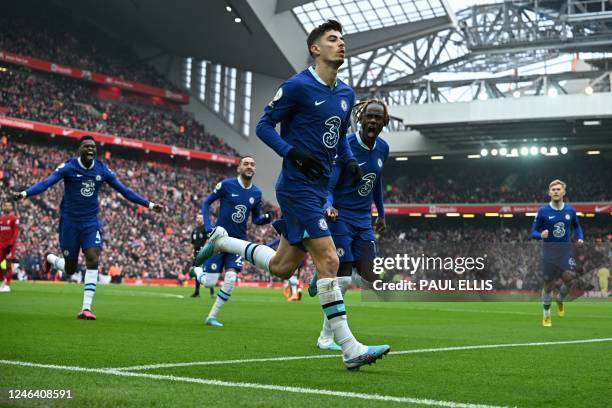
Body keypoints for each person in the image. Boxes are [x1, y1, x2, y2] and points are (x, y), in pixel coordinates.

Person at [195, 20, 389, 370]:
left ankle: (225, 242)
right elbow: (263, 126)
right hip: (296, 186)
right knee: (329, 260)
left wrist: (351, 163)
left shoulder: (345, 94)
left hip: (317, 189)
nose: (341, 44)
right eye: (333, 39)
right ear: (316, 49)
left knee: (283, 267)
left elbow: (341, 137)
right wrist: (292, 152)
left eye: (342, 39)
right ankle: (349, 348)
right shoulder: (298, 86)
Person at [12, 136, 163, 319]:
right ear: (80, 150)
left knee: (93, 257)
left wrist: (150, 205)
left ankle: (86, 308)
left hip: (91, 222)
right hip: (69, 222)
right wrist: (24, 193)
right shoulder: (68, 167)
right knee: (70, 268)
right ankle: (51, 258)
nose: (91, 149)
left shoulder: (101, 169)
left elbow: (125, 191)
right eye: (86, 147)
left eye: (93, 147)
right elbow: (46, 183)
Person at [310, 99, 390, 350]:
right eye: (370, 116)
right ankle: (326, 338)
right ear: (361, 118)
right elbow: (330, 185)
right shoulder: (348, 146)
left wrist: (381, 213)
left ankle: (323, 267)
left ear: (384, 123)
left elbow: (376, 181)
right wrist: (328, 205)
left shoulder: (383, 149)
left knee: (368, 274)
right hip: (341, 216)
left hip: (363, 220)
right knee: (343, 280)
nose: (373, 121)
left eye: (378, 118)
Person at [194, 156, 273, 327]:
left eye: (252, 164)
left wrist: (266, 218)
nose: (249, 166)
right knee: (209, 282)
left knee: (230, 279)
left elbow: (256, 219)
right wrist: (208, 227)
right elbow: (206, 203)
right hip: (219, 240)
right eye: (246, 164)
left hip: (238, 242)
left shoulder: (256, 193)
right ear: (239, 168)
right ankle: (197, 270)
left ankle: (211, 317)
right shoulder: (226, 185)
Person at [531, 179, 584, 327]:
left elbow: (577, 226)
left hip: (565, 252)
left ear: (563, 192)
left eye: (558, 189)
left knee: (572, 279)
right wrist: (540, 235)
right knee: (548, 286)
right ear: (549, 192)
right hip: (549, 255)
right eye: (553, 189)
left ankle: (560, 299)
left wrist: (580, 237)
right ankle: (546, 315)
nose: (555, 191)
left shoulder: (570, 210)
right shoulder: (542, 211)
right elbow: (533, 231)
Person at [189, 214, 214, 298]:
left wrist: (205, 251)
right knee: (197, 272)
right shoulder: (195, 230)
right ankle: (197, 292)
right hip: (196, 254)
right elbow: (192, 243)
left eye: (200, 218)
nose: (198, 219)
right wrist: (190, 253)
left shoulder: (205, 229)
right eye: (197, 217)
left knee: (207, 271)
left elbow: (208, 240)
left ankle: (212, 292)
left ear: (203, 219)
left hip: (204, 253)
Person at [0, 201, 19, 293]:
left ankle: (7, 285)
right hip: (1, 245)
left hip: (9, 246)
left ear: (11, 207)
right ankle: (3, 279)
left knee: (8, 265)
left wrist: (10, 244)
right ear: (3, 207)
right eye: (5, 205)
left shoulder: (14, 218)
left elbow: (15, 233)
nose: (7, 207)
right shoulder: (1, 218)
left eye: (9, 205)